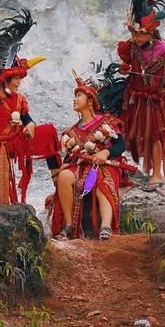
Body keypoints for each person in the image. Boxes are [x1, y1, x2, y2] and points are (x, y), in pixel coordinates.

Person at [0, 8, 61, 206]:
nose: (19, 83)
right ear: (5, 79)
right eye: (16, 79)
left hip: (15, 139)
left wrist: (32, 125)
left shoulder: (18, 99)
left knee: (49, 133)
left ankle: (60, 184)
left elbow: (27, 118)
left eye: (19, 78)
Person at [117, 0, 165, 185]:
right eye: (133, 34)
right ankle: (138, 168)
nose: (135, 38)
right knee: (139, 136)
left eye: (139, 35)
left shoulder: (164, 50)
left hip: (157, 102)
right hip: (136, 100)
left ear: (150, 32)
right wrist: (123, 67)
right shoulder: (130, 47)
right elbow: (125, 63)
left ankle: (157, 174)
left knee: (156, 136)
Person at [48, 72, 133, 240]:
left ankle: (106, 227)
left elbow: (120, 145)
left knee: (102, 178)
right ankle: (68, 225)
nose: (75, 99)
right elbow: (68, 158)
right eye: (75, 96)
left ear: (90, 101)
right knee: (65, 176)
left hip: (106, 164)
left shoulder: (107, 121)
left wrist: (105, 152)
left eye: (79, 95)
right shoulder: (72, 131)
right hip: (80, 166)